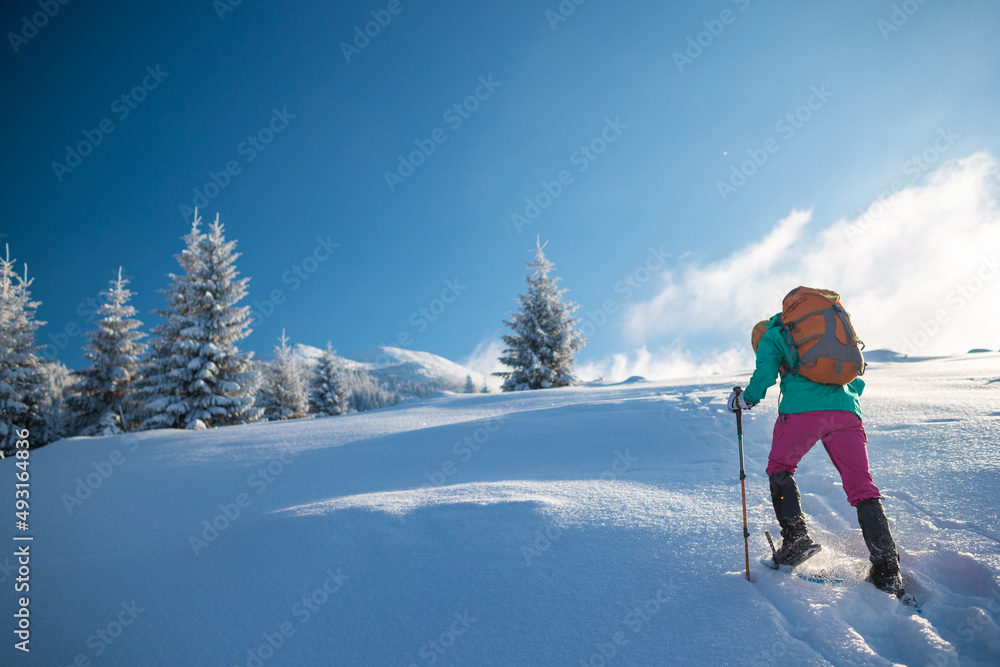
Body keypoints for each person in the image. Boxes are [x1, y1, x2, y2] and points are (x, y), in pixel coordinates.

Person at [727, 313, 904, 596]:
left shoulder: (771, 336)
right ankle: (887, 570)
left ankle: (795, 538)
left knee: (780, 467)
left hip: (802, 409)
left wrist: (745, 399)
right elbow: (854, 376)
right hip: (846, 411)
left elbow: (765, 373)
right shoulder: (823, 330)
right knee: (862, 486)